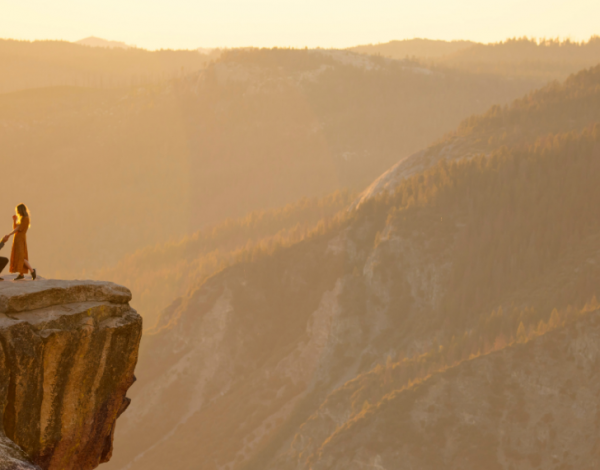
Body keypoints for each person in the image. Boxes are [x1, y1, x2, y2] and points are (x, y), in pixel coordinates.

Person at [5, 204, 36, 281]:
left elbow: (18, 229)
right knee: (18, 256)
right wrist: (14, 220)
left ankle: (32, 271)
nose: (17, 212)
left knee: (21, 257)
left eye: (18, 210)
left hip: (20, 239)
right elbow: (15, 228)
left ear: (21, 210)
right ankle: (21, 274)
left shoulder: (25, 219)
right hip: (17, 239)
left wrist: (9, 235)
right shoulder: (21, 218)